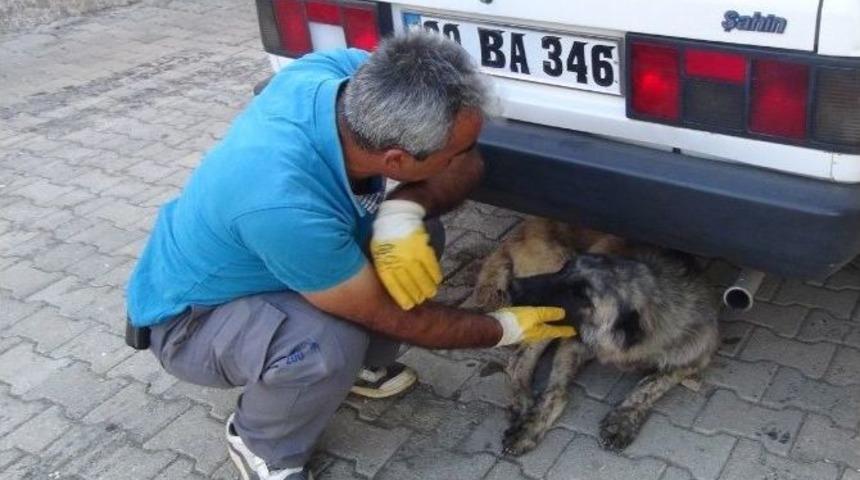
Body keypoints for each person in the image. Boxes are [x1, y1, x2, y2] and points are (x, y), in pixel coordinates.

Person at [125, 32, 574, 480]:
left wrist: (401, 211)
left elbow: (469, 163)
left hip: (278, 264)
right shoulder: (282, 202)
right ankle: (262, 442)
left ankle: (353, 372)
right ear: (397, 161)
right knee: (323, 344)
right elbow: (400, 319)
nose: (469, 157)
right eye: (454, 152)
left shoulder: (343, 76)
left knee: (418, 237)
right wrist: (503, 327)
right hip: (192, 320)